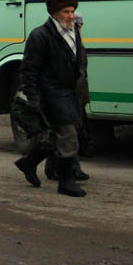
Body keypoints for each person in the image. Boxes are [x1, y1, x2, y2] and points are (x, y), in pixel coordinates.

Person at [14, 0, 88, 197]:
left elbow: (77, 58)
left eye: (72, 11)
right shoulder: (40, 35)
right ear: (55, 13)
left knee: (60, 134)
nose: (71, 16)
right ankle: (66, 181)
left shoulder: (73, 31)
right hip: (51, 93)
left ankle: (28, 163)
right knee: (68, 135)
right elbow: (29, 69)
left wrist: (80, 75)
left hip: (69, 91)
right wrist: (33, 97)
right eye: (66, 11)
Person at [45, 10, 91, 181]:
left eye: (79, 25)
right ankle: (72, 169)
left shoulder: (77, 43)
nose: (78, 28)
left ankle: (44, 165)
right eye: (76, 24)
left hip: (75, 97)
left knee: (64, 134)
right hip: (64, 97)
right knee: (69, 133)